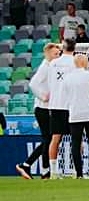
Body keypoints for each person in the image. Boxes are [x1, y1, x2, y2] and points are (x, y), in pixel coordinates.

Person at [15, 42, 60, 179]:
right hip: (42, 108)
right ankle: (40, 169)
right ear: (48, 53)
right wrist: (43, 96)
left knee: (48, 139)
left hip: (46, 108)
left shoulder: (51, 66)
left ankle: (31, 166)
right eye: (55, 53)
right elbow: (33, 84)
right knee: (49, 139)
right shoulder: (45, 67)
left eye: (58, 53)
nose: (57, 56)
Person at [65, 54, 89, 179]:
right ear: (84, 63)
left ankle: (79, 174)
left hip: (75, 114)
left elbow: (66, 95)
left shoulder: (68, 78)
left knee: (75, 144)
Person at [46, 39, 78, 179]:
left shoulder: (53, 63)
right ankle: (77, 170)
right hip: (71, 105)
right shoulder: (76, 63)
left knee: (55, 138)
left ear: (62, 48)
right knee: (76, 139)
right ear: (74, 48)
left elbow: (49, 83)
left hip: (56, 104)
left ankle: (53, 171)